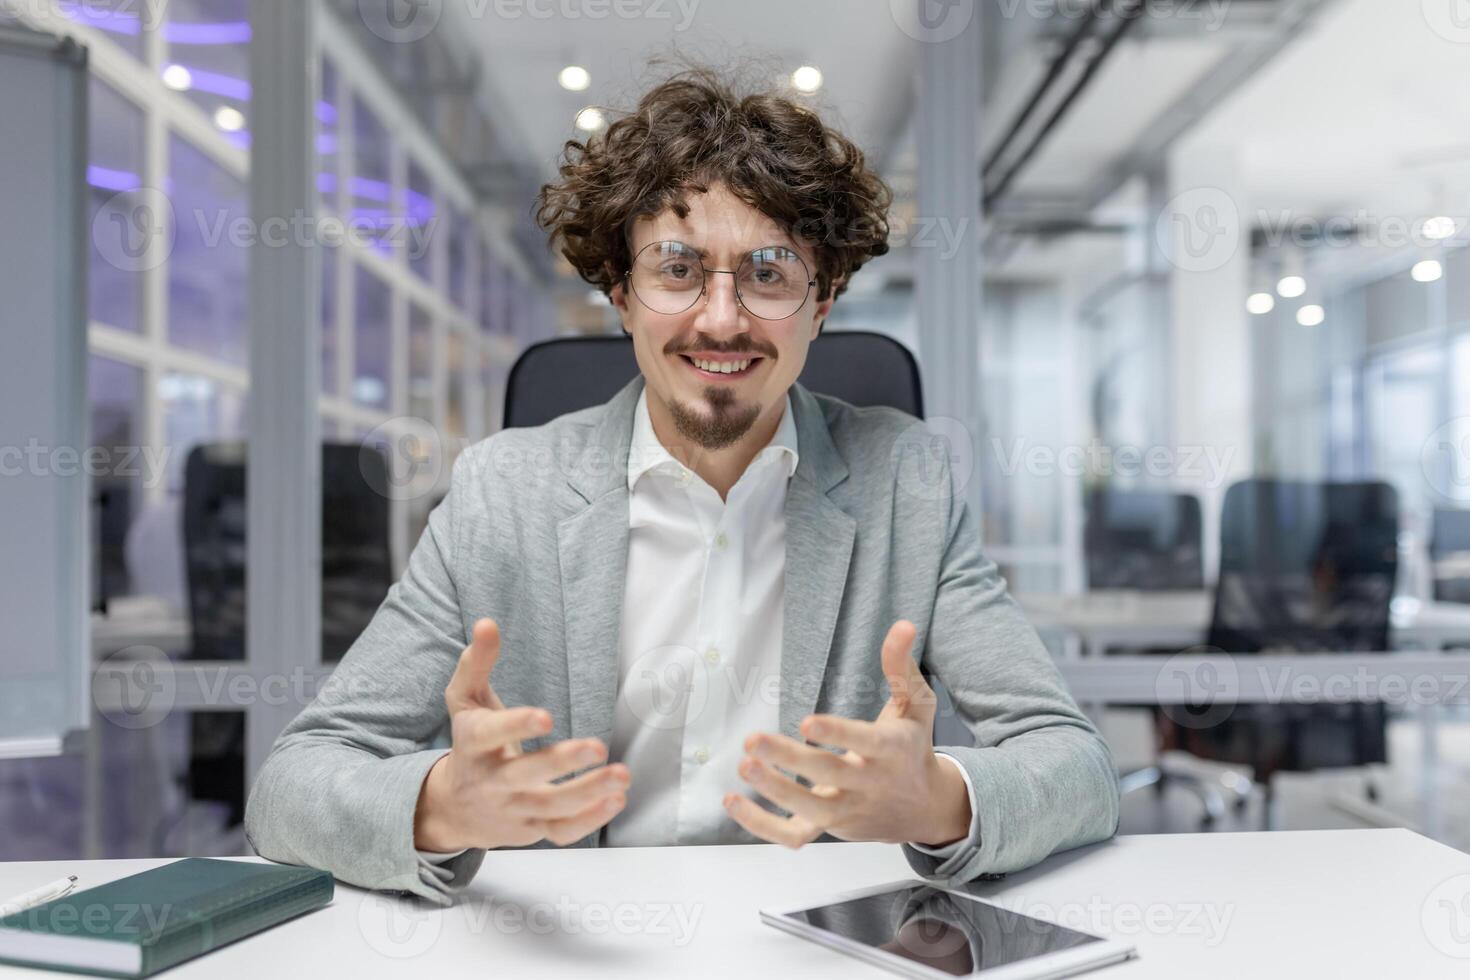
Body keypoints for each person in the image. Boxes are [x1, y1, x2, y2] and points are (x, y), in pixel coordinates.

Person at [243, 66, 1119, 905]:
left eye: (770, 272)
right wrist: (440, 805)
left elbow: (1075, 767)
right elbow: (291, 785)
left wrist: (940, 800)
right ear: (622, 294)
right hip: (575, 944)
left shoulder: (907, 485)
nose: (722, 317)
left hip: (814, 946)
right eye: (677, 268)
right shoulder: (504, 492)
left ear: (824, 300)